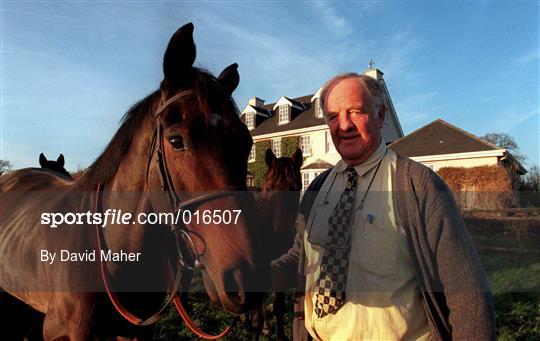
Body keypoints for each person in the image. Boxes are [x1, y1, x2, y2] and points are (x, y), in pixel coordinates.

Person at [271, 73, 495, 340]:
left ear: (380, 115)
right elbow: (303, 254)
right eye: (333, 116)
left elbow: (468, 294)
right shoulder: (317, 188)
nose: (344, 125)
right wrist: (264, 274)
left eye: (355, 112)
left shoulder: (418, 185)